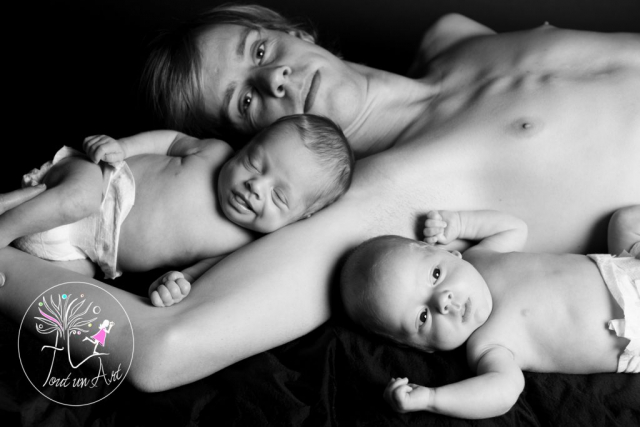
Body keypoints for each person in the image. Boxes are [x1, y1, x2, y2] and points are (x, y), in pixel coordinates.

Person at [0, 4, 638, 391]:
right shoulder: (379, 205)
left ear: (293, 32)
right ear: (238, 146)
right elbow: (161, 350)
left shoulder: (451, 37)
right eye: (245, 101)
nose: (273, 79)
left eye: (259, 51)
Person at [0, 113, 353, 307]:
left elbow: (197, 275)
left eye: (279, 198)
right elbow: (170, 140)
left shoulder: (241, 246)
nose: (255, 187)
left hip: (87, 252)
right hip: (95, 181)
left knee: (71, 292)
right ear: (246, 144)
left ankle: (8, 258)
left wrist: (176, 283)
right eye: (254, 163)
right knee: (80, 200)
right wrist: (120, 147)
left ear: (299, 218)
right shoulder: (214, 153)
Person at [340, 206, 639, 419]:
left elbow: (513, 227)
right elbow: (504, 391)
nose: (443, 301)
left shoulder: (481, 256)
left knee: (625, 220)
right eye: (423, 317)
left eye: (435, 275)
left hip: (625, 267)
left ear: (450, 254)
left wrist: (458, 223)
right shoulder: (488, 346)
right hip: (633, 329)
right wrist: (432, 398)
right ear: (424, 348)